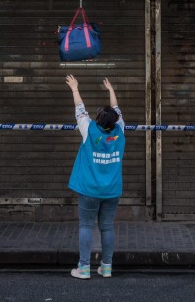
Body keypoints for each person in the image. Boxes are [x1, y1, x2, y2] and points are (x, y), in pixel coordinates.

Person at [65, 74, 124, 279]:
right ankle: (106, 267)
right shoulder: (120, 131)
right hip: (112, 190)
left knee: (86, 226)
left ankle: (83, 268)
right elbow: (116, 111)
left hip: (89, 189)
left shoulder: (88, 129)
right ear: (115, 121)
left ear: (97, 119)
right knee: (107, 228)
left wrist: (74, 88)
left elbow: (80, 108)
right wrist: (111, 91)